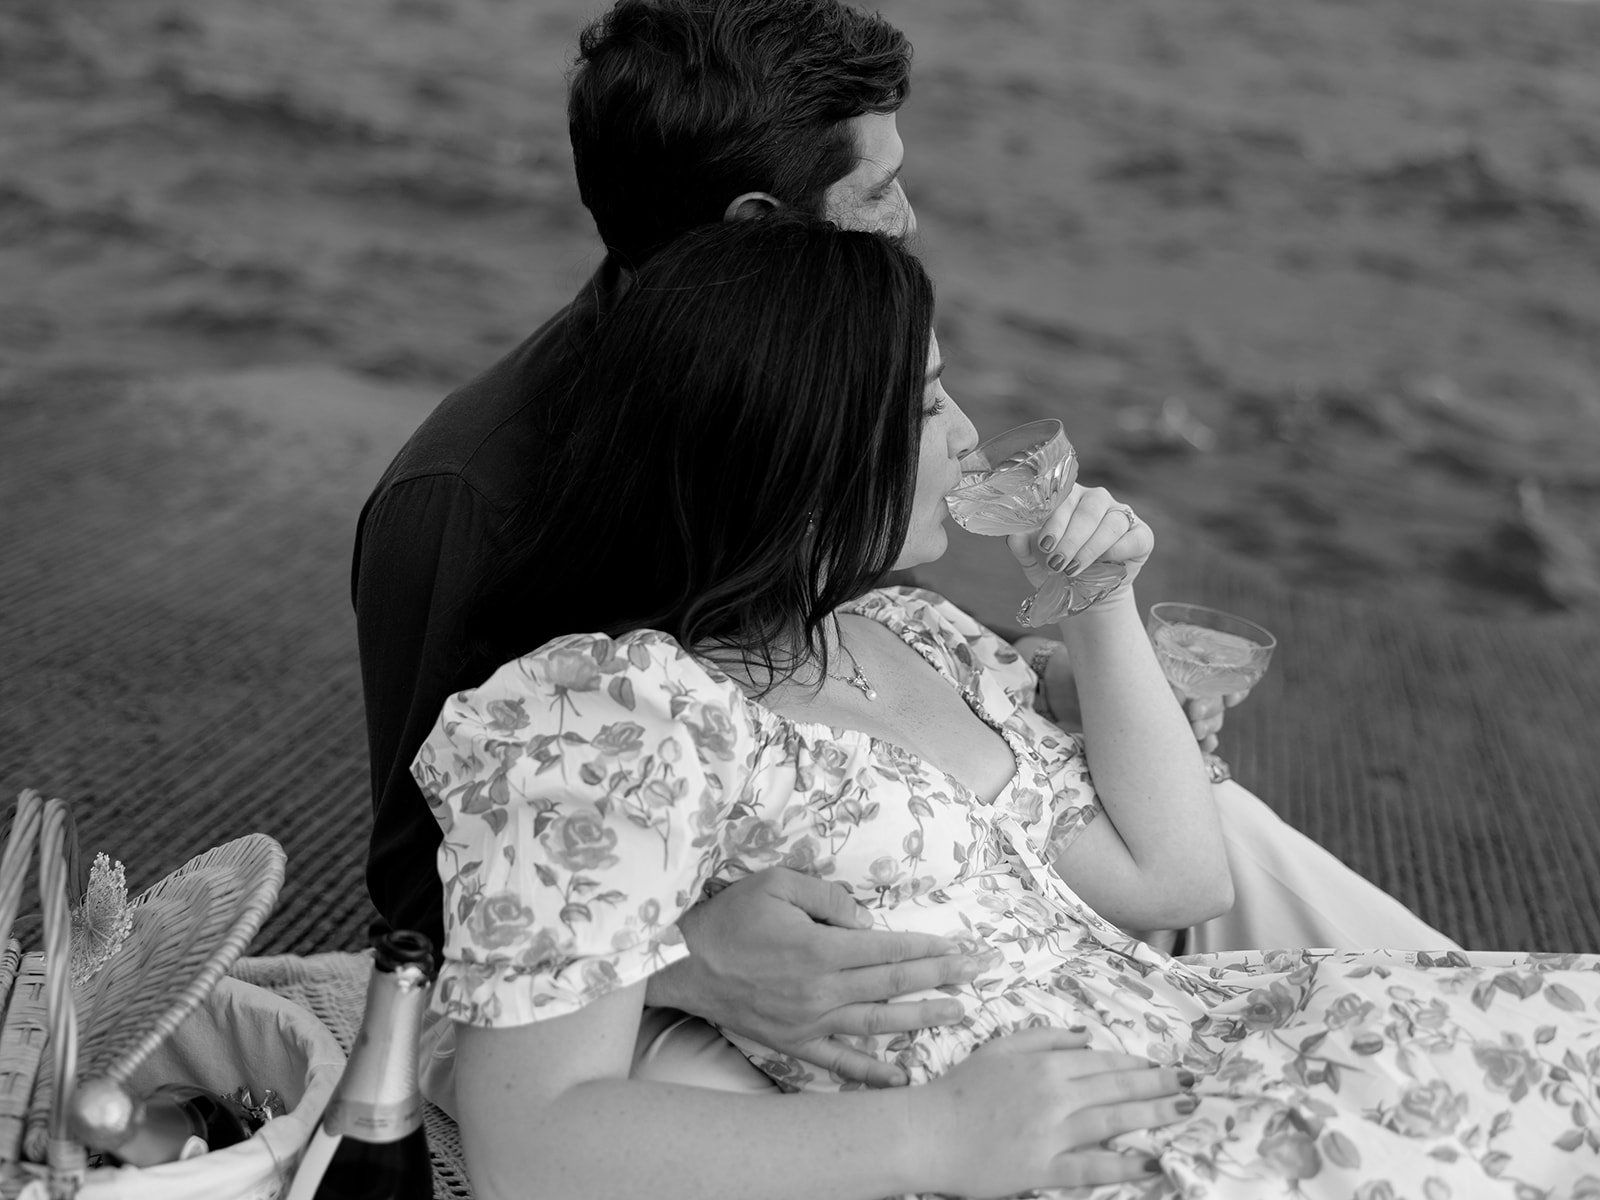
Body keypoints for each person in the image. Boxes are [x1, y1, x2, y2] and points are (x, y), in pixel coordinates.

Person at [355, 0, 1453, 1101]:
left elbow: (861, 658)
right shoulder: (466, 498)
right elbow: (426, 901)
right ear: (755, 223)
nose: (911, 216)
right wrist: (693, 964)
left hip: (962, 901)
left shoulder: (830, 390)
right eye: (877, 191)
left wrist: (1063, 695)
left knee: (1246, 857)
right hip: (723, 981)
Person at [415, 215, 1600, 1200]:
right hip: (1118, 1147)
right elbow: (534, 1144)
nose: (970, 434)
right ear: (805, 446)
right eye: (928, 404)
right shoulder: (615, 715)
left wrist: (1097, 601)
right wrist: (937, 1135)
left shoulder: (907, 633)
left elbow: (1176, 880)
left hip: (1223, 1041)